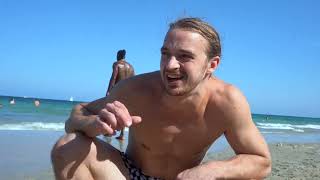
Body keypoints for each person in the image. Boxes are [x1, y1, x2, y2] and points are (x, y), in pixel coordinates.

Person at [51, 17, 271, 180]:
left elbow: (261, 162)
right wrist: (93, 123)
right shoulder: (136, 89)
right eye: (165, 54)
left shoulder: (227, 101)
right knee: (68, 146)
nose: (170, 65)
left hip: (185, 177)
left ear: (212, 65)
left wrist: (212, 170)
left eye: (184, 56)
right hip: (129, 173)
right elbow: (75, 118)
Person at [105, 49, 135, 140]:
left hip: (118, 90)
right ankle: (122, 135)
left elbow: (113, 77)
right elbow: (133, 80)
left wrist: (109, 90)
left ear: (119, 56)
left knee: (111, 110)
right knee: (123, 111)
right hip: (128, 92)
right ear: (124, 56)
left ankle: (109, 131)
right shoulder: (131, 67)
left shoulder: (117, 64)